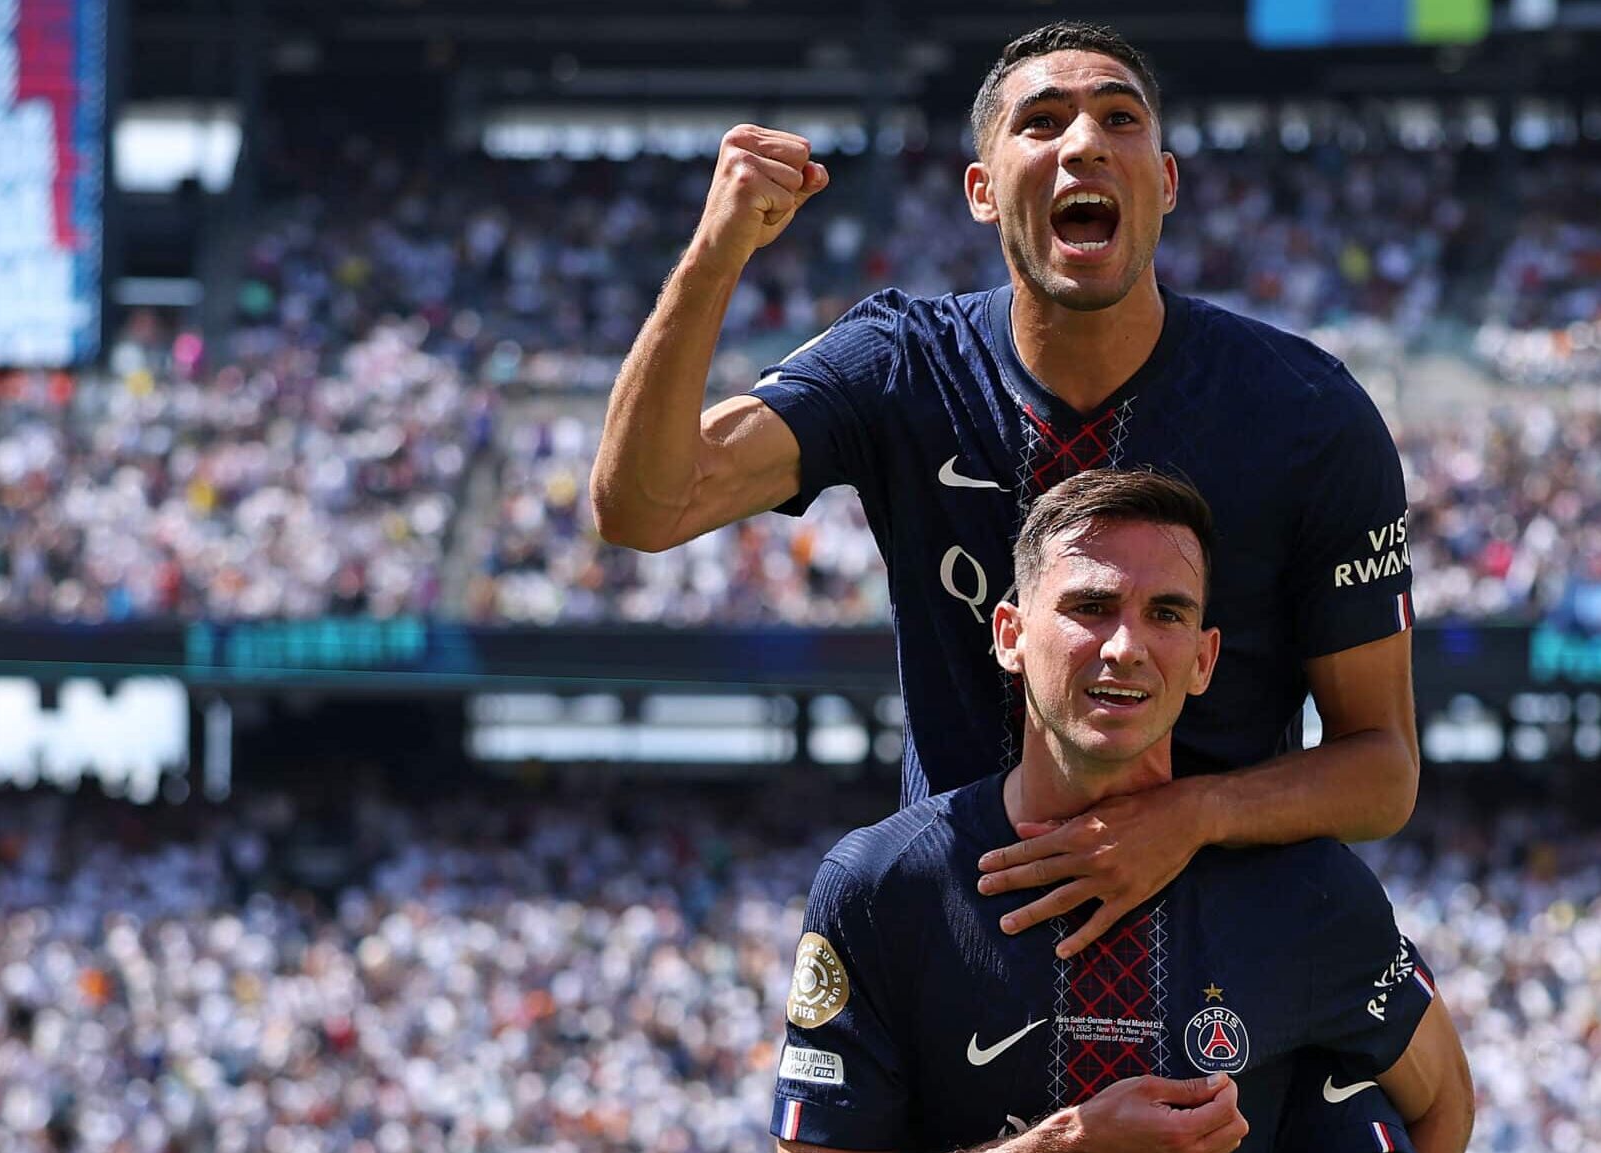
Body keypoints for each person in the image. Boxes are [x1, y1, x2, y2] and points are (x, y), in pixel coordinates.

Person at [593, 17, 1418, 965]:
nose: (1083, 143)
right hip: (962, 950)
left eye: (1120, 118)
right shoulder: (901, 363)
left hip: (1227, 965)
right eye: (1043, 121)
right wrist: (716, 252)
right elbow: (643, 507)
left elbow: (1382, 767)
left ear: (1168, 181)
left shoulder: (1308, 411)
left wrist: (1190, 816)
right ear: (982, 192)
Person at [770, 470, 1472, 1153]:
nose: (1127, 647)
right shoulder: (880, 887)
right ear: (1010, 635)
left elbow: (1443, 1102)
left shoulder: (1311, 892)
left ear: (1204, 659)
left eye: (1166, 613)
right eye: (1091, 607)